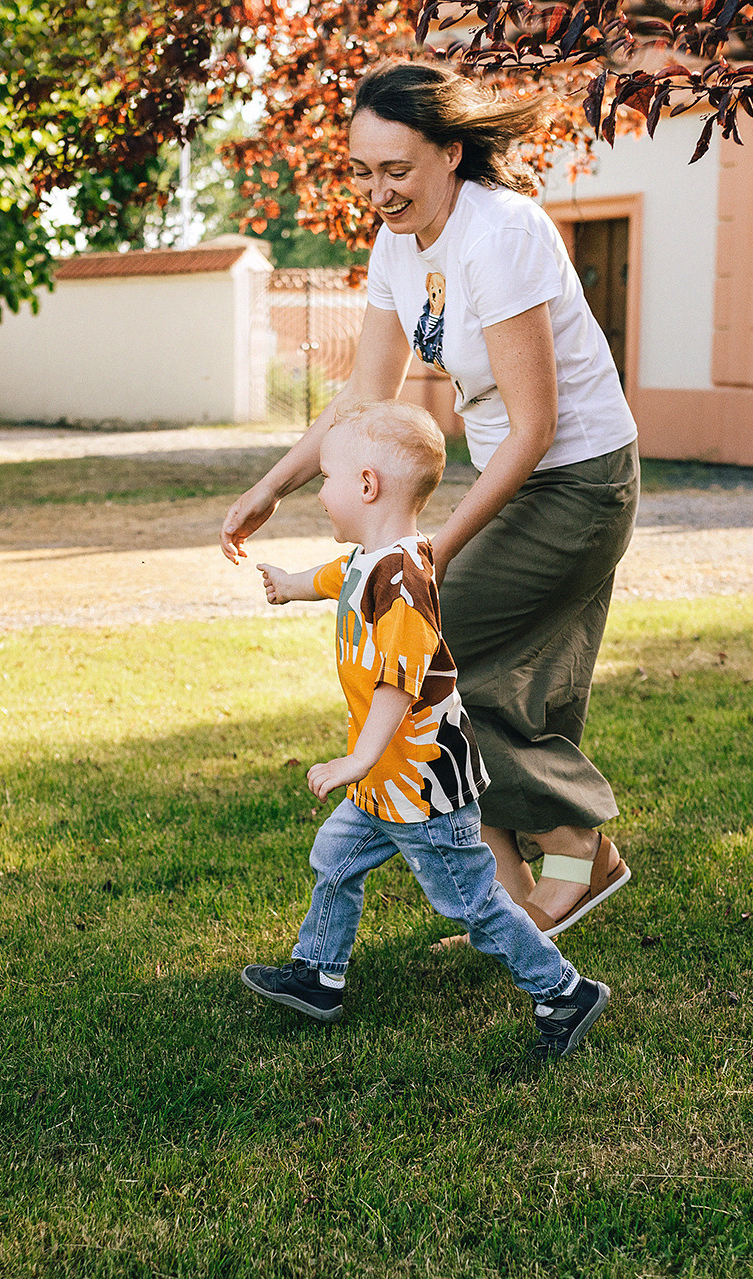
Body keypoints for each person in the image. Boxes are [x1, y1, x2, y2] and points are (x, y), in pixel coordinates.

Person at [221, 58, 639, 939]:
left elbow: (534, 427)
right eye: (363, 171)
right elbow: (366, 403)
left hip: (576, 483)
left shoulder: (502, 235)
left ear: (451, 153)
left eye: (397, 170)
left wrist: (432, 552)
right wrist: (273, 483)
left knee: (427, 660)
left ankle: (567, 851)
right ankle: (542, 879)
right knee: (482, 678)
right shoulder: (396, 247)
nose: (378, 191)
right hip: (521, 476)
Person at [238, 400, 609, 1060]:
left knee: (473, 904)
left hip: (420, 785)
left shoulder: (407, 582)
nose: (319, 491)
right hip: (387, 783)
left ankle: (564, 990)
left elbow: (398, 685)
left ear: (367, 484)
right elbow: (339, 580)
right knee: (335, 857)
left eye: (325, 477)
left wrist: (356, 761)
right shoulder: (373, 560)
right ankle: (319, 974)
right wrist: (290, 584)